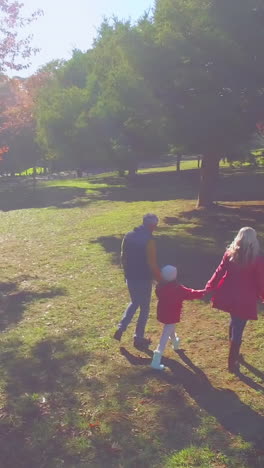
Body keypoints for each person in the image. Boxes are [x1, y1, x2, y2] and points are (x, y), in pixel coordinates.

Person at [205, 227, 264, 373]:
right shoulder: (257, 259)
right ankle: (232, 362)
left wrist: (210, 285)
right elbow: (260, 280)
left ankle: (235, 355)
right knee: (238, 327)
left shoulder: (230, 254)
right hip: (245, 298)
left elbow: (219, 270)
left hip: (229, 294)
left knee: (234, 321)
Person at [114, 213, 162, 349]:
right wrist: (160, 280)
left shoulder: (128, 236)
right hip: (144, 278)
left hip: (130, 276)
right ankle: (138, 338)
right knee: (145, 308)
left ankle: (121, 327)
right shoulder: (150, 240)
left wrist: (126, 273)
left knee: (134, 302)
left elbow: (123, 256)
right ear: (153, 225)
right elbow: (152, 264)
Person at [151, 265, 205, 370]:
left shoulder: (159, 287)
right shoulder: (177, 288)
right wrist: (203, 292)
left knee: (170, 327)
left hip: (162, 312)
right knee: (165, 334)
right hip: (172, 313)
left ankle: (175, 343)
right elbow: (190, 293)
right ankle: (156, 359)